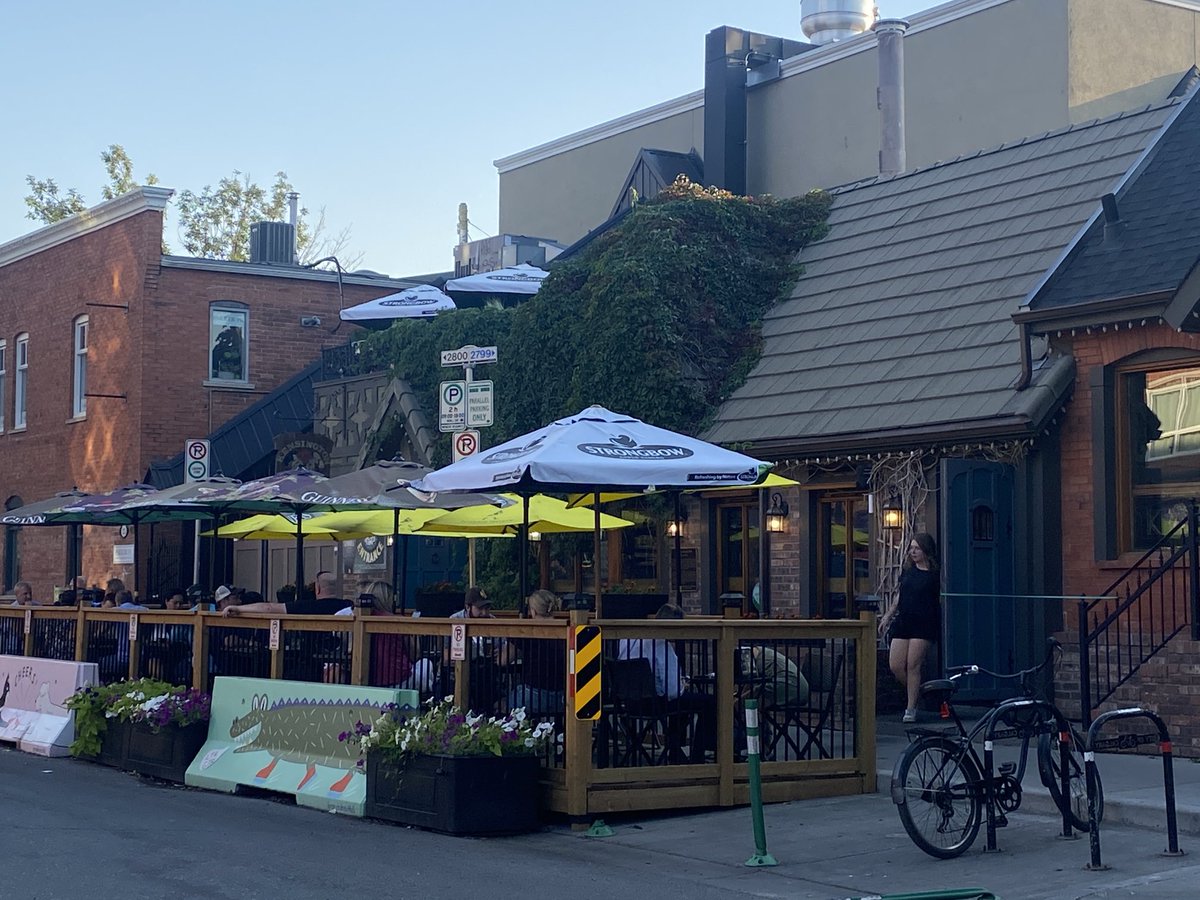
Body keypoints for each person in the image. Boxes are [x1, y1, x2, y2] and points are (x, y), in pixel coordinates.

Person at [617, 603, 717, 763]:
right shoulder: (661, 646)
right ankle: (699, 755)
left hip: (629, 702)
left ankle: (675, 749)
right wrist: (683, 685)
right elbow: (672, 691)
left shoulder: (627, 639)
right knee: (709, 702)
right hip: (654, 704)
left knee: (683, 705)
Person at [880, 532, 942, 724]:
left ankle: (911, 708)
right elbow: (900, 596)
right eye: (911, 548)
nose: (912, 552)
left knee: (913, 665)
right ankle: (920, 692)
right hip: (904, 620)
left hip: (923, 623)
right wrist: (888, 615)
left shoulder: (934, 575)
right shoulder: (908, 571)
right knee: (896, 666)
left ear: (925, 550)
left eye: (916, 548)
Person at [505, 589, 566, 718]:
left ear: (533, 611)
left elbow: (503, 660)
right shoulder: (566, 629)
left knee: (504, 704)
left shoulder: (527, 630)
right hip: (562, 696)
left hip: (533, 694)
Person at [223, 571, 351, 617]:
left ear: (317, 588)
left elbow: (268, 608)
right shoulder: (350, 607)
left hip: (311, 662)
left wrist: (237, 608)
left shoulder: (306, 606)